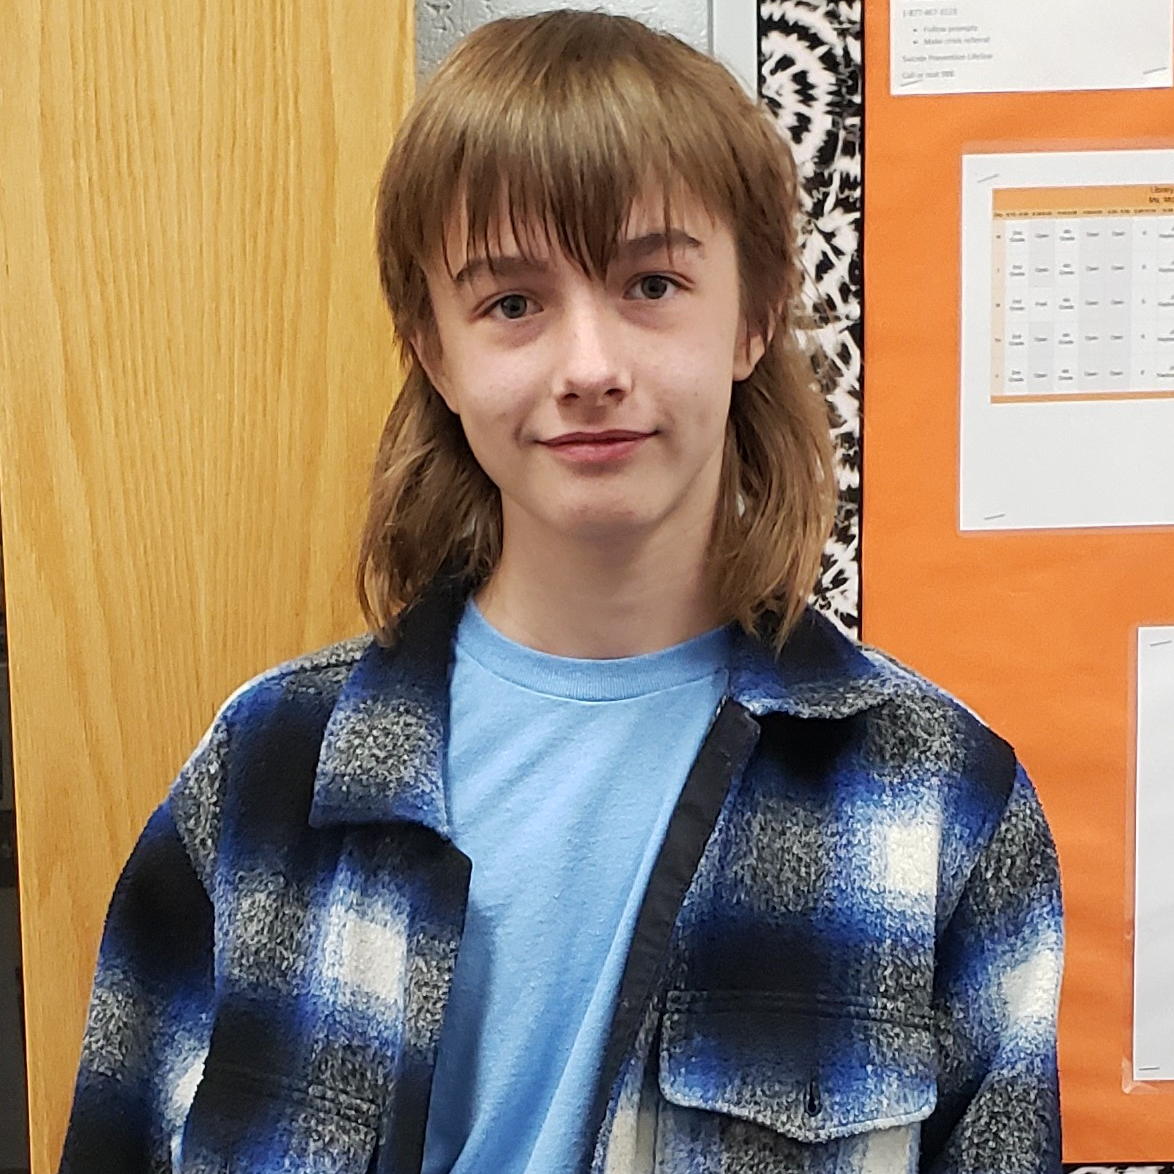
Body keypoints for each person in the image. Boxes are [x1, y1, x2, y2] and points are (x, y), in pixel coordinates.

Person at [59, 10, 1063, 1174]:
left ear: (753, 314)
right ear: (433, 349)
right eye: (512, 303)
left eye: (650, 281)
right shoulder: (264, 775)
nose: (590, 366)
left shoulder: (942, 801)